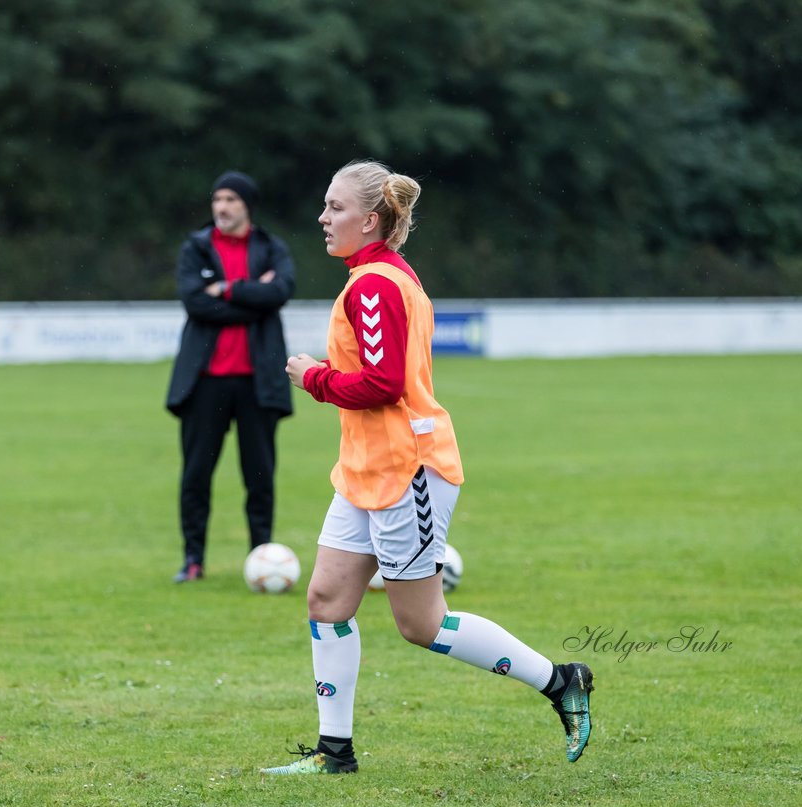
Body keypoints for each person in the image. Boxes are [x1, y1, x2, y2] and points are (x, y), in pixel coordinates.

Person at [262, 160, 593, 774]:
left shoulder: (375, 285)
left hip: (404, 469)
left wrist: (313, 377)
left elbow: (384, 384)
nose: (323, 217)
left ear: (370, 219)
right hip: (364, 468)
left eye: (334, 208)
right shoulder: (379, 275)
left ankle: (561, 680)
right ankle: (334, 753)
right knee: (327, 600)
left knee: (421, 624)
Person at [165, 170, 295, 583]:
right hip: (205, 382)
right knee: (196, 475)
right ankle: (192, 561)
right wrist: (253, 294)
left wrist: (226, 289)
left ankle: (262, 559)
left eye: (230, 200)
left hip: (258, 382)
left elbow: (281, 293)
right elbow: (194, 303)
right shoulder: (196, 247)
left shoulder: (272, 248)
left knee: (259, 478)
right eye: (216, 199)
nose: (221, 207)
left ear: (247, 206)